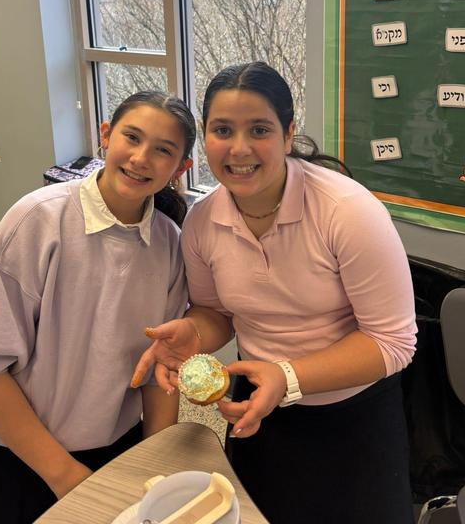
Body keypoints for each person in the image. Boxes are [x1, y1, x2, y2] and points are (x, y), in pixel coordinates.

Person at [132, 62, 417, 524]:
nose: (239, 148)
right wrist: (193, 331)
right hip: (259, 407)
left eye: (259, 129)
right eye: (222, 130)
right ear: (205, 138)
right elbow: (216, 311)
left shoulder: (348, 212)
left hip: (354, 414)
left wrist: (286, 375)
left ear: (288, 135)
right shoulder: (203, 223)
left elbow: (393, 343)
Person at [0, 90, 196, 524]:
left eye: (163, 151)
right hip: (18, 457)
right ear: (105, 135)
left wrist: (153, 467)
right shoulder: (37, 220)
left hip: (113, 452)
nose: (140, 158)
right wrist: (64, 475)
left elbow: (159, 371)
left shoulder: (170, 244)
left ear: (181, 168)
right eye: (131, 138)